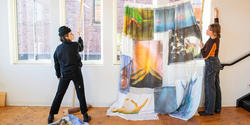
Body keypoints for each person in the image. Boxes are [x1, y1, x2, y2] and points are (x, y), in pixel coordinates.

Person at [48, 26, 91, 123]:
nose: (73, 35)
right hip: (76, 74)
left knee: (59, 94)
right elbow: (81, 47)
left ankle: (51, 115)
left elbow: (56, 63)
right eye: (71, 34)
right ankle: (85, 115)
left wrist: (58, 75)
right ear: (66, 36)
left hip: (64, 75)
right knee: (81, 94)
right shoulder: (75, 45)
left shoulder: (58, 49)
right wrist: (80, 38)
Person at [198, 8, 222, 116]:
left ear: (213, 32)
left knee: (209, 88)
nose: (206, 31)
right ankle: (217, 108)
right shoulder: (217, 37)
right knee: (216, 86)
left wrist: (202, 46)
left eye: (208, 30)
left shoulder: (212, 42)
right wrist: (216, 15)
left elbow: (205, 55)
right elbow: (217, 24)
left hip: (211, 64)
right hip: (216, 63)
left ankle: (209, 111)